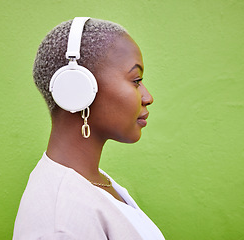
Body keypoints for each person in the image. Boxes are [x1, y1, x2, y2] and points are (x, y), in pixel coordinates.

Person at [13, 17, 165, 240]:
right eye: (136, 80)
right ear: (79, 89)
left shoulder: (90, 180)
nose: (147, 97)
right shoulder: (61, 225)